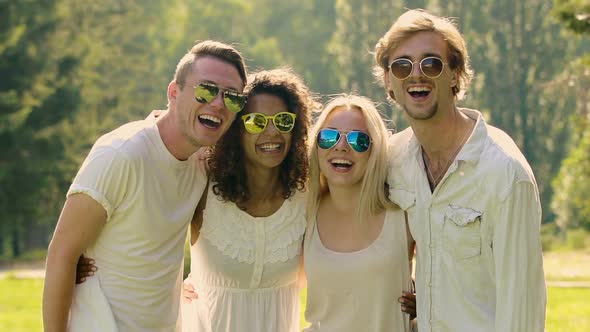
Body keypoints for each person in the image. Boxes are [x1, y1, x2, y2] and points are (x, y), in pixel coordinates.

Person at [42, 40, 248, 331]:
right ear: (174, 92)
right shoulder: (120, 154)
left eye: (232, 98)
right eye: (206, 90)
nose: (217, 103)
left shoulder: (201, 162)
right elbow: (62, 254)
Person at [373, 9, 546, 331]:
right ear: (388, 80)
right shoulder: (393, 159)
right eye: (401, 65)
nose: (416, 74)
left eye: (431, 63)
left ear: (455, 74)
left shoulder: (505, 173)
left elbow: (523, 304)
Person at [303, 95, 414, 331]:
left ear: (375, 150)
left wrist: (428, 300)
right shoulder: (304, 210)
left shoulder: (403, 213)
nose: (341, 146)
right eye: (329, 137)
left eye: (358, 140)